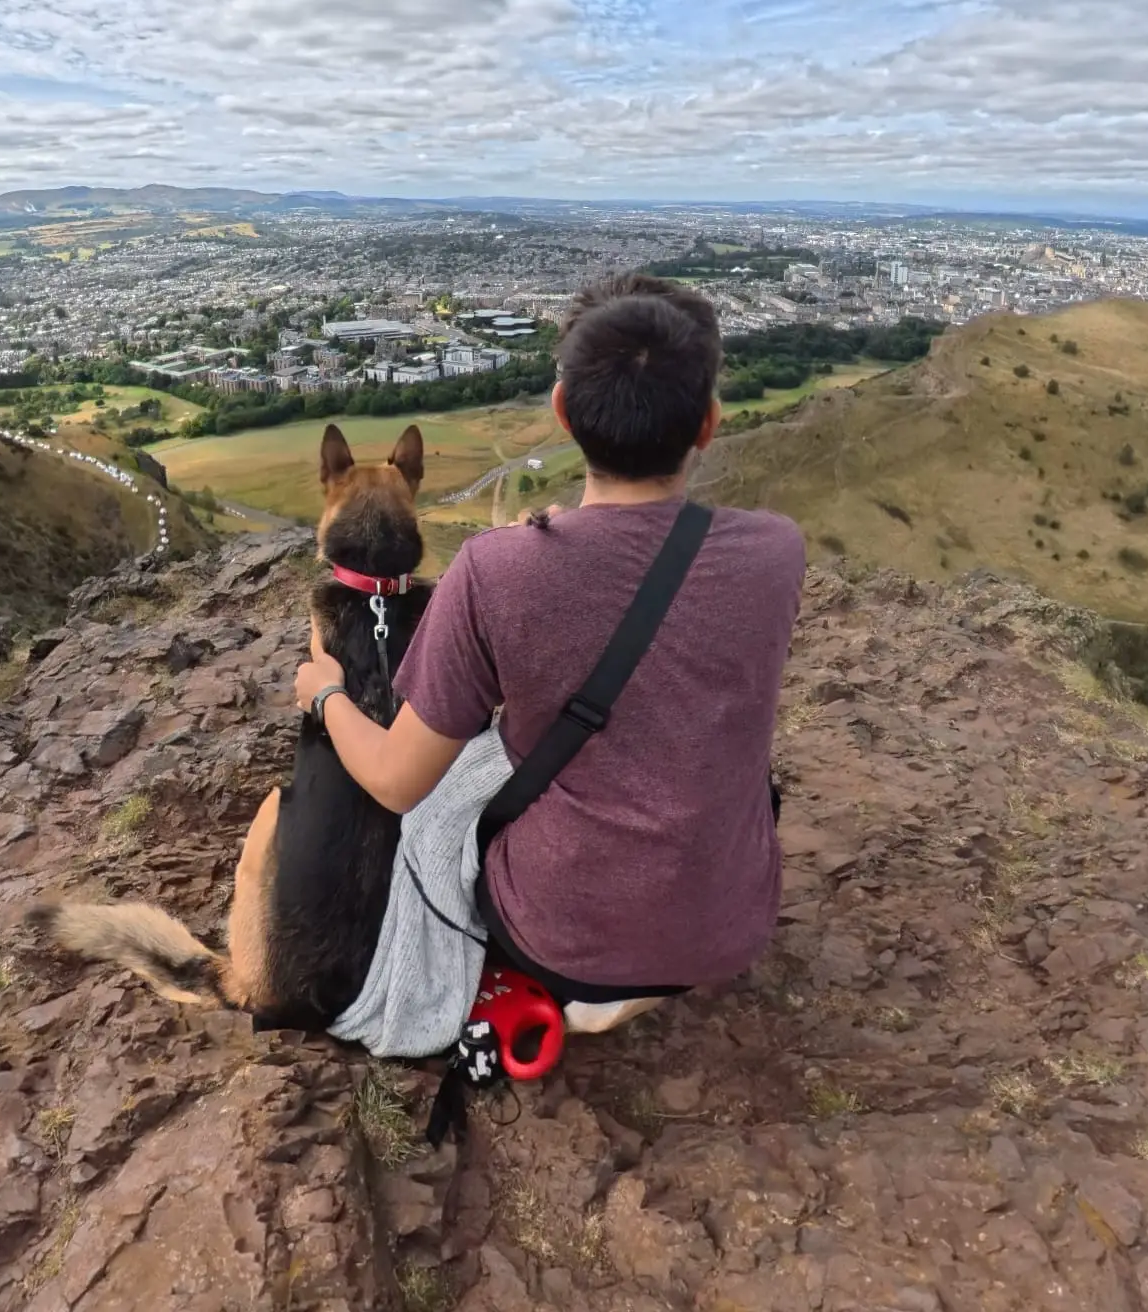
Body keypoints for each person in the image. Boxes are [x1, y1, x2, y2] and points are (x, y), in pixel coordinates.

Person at [294, 271, 805, 1009]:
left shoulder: (496, 571)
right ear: (708, 424)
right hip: (729, 930)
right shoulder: (778, 550)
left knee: (440, 807)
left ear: (562, 411)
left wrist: (327, 694)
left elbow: (395, 781)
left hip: (558, 941)